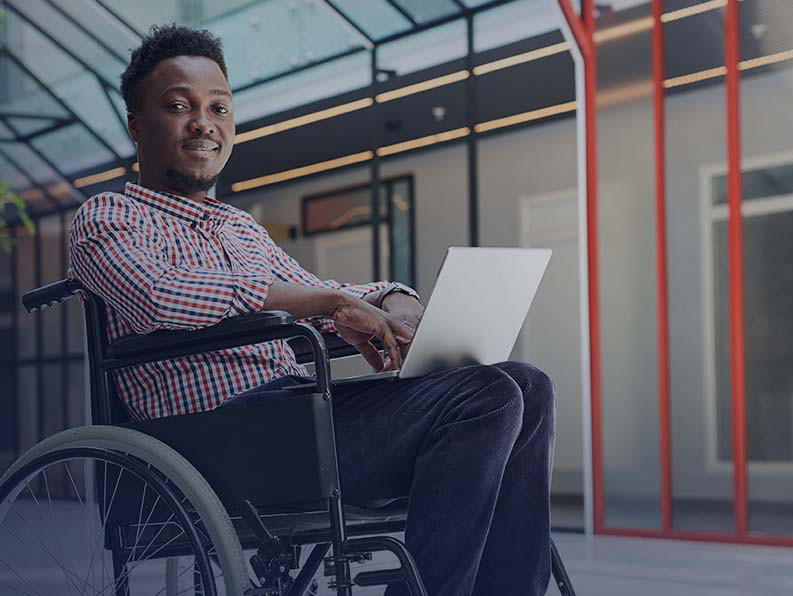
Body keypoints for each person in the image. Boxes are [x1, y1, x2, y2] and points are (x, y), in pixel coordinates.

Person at [66, 24, 553, 596]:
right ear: (137, 125)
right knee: (487, 396)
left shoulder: (239, 228)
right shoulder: (106, 218)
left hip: (295, 419)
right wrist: (331, 302)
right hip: (218, 437)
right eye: (179, 106)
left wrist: (391, 299)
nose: (204, 123)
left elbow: (314, 290)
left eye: (219, 108)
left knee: (527, 384)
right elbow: (159, 295)